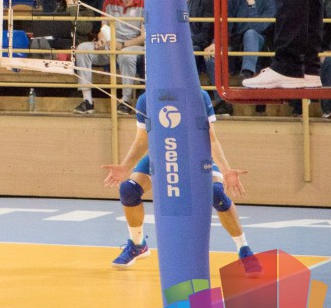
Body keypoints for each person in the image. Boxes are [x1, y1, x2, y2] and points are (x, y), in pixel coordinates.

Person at [102, 89, 260, 273]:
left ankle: (244, 249)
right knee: (128, 190)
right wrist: (124, 167)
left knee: (216, 193)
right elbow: (142, 141)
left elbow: (211, 139)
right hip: (165, 155)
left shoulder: (197, 95)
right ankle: (137, 245)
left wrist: (225, 170)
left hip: (196, 155)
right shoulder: (146, 99)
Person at [73, 0, 145, 113]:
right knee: (82, 49)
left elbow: (145, 36)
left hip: (133, 45)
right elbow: (104, 27)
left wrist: (123, 45)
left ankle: (126, 101)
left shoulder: (144, 2)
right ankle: (87, 101)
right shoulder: (109, 1)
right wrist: (101, 39)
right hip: (111, 44)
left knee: (126, 55)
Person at [208, 0, 276, 86]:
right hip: (235, 42)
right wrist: (216, 43)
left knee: (250, 33)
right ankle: (220, 97)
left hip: (259, 45)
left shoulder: (269, 0)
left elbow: (258, 27)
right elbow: (225, 22)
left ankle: (246, 73)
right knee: (211, 57)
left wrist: (251, 3)